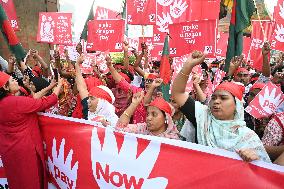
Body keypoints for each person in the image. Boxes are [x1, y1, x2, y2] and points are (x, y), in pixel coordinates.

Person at [172, 51, 271, 163]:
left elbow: (264, 171)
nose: (216, 102)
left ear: (236, 105)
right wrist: (188, 66)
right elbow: (178, 93)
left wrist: (254, 160)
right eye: (213, 98)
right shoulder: (203, 118)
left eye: (223, 98)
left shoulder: (248, 137)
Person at [0, 71, 62, 189]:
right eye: (12, 80)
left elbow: (31, 99)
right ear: (5, 87)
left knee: (17, 179)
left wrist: (50, 86)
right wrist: (59, 85)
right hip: (25, 150)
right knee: (31, 180)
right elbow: (47, 101)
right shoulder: (16, 102)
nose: (16, 81)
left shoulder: (6, 102)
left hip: (9, 150)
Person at [75, 55, 118, 127]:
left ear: (103, 102)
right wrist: (77, 64)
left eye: (92, 98)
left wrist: (108, 126)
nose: (88, 101)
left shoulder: (115, 122)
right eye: (89, 98)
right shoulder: (88, 111)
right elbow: (81, 87)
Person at [116, 92, 180, 140]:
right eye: (147, 114)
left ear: (166, 118)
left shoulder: (173, 140)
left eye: (154, 114)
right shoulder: (142, 129)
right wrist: (134, 104)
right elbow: (119, 128)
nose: (148, 118)